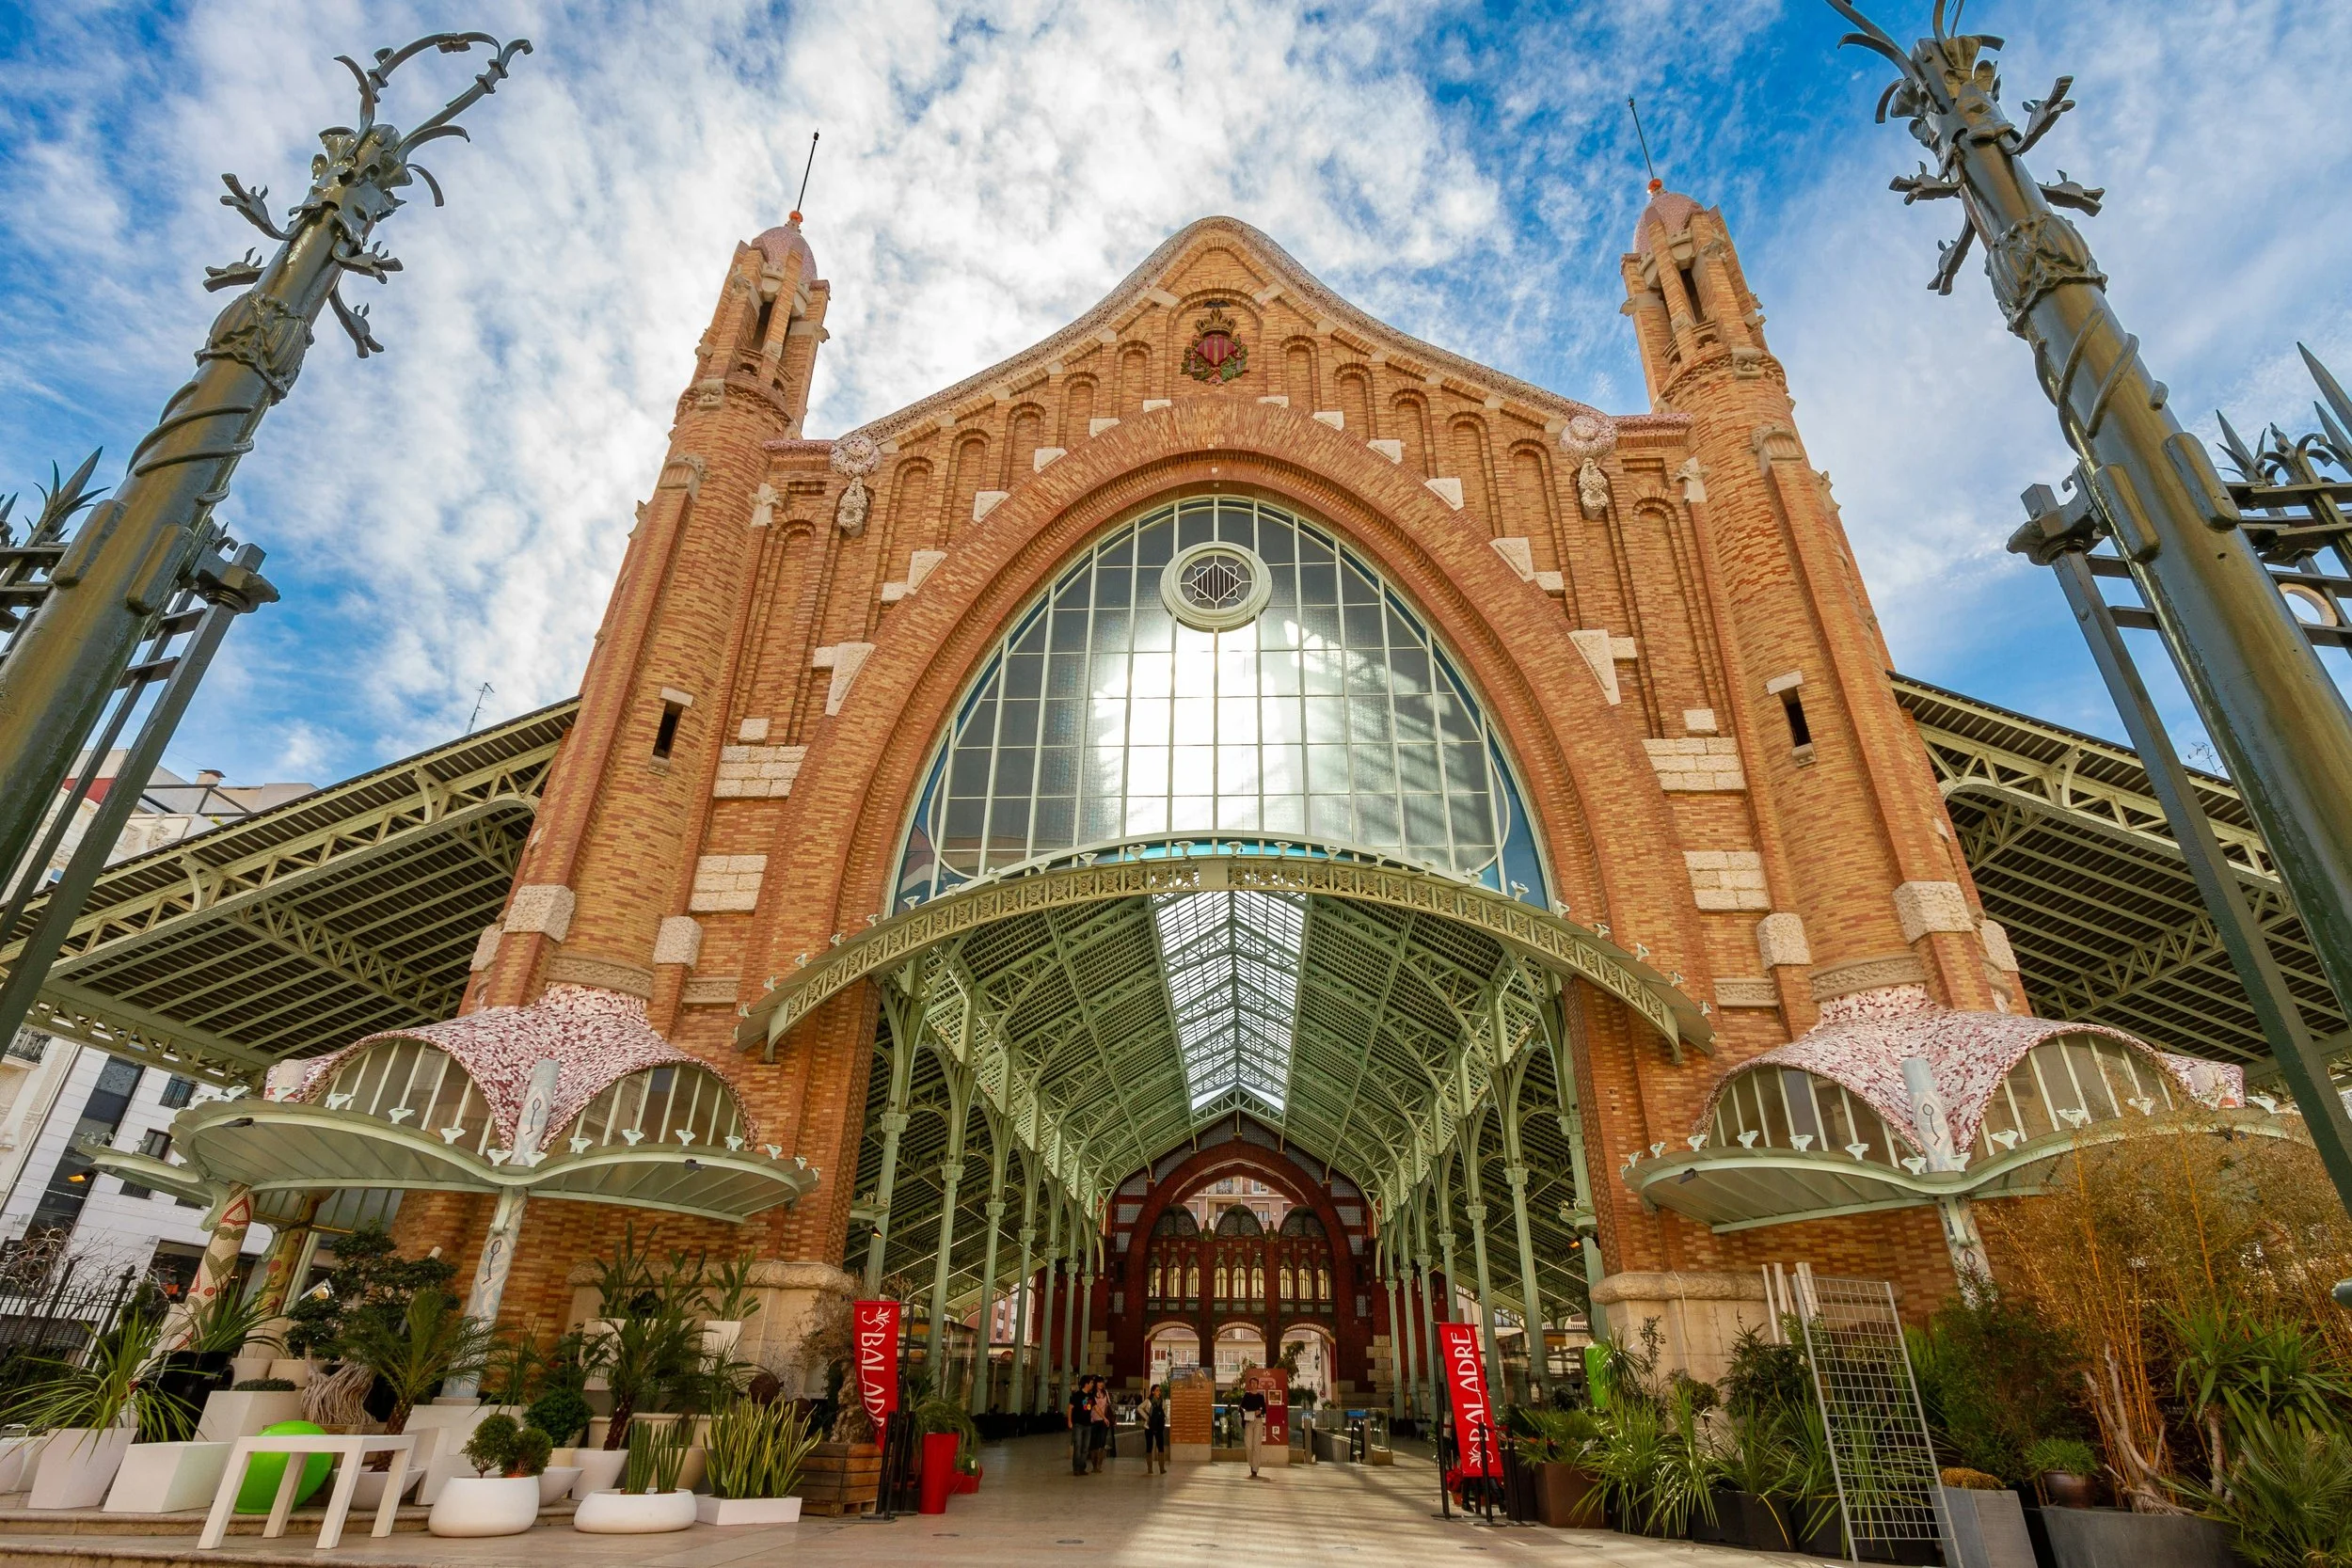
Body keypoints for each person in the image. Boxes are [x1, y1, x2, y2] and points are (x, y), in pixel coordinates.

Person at [1239, 1382, 1267, 1478]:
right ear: (1250, 1384)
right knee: (1248, 1445)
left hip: (1258, 1420)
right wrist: (1245, 1413)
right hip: (1248, 1420)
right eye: (1252, 1383)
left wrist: (1259, 1411)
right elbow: (1241, 1407)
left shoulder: (1260, 1396)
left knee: (1256, 1445)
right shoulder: (1247, 1395)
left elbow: (1264, 1409)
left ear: (1258, 1384)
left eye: (1255, 1383)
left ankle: (1255, 1469)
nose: (1254, 1384)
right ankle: (1251, 1464)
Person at [1142, 1383, 1168, 1473]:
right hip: (1149, 1427)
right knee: (1149, 1447)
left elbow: (1165, 1409)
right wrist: (1147, 1417)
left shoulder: (1162, 1401)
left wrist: (1164, 1417)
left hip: (1159, 1427)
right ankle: (1150, 1469)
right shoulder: (1148, 1401)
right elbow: (1139, 1408)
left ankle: (1162, 1468)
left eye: (1159, 1390)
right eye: (1157, 1390)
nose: (1159, 1392)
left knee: (1161, 1447)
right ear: (1153, 1392)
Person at [1069, 1377, 1092, 1475]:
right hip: (1078, 1424)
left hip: (1088, 1424)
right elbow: (1070, 1408)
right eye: (1091, 1383)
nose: (1092, 1384)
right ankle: (1076, 1468)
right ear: (1086, 1384)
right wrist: (1069, 1421)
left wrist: (1104, 1418)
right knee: (1078, 1446)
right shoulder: (1077, 1395)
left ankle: (1082, 1467)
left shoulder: (1091, 1396)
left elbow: (1095, 1408)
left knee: (1085, 1447)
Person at [1089, 1377, 1112, 1471]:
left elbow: (1108, 1405)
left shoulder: (1105, 1393)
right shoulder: (1091, 1394)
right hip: (1093, 1420)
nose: (1101, 1384)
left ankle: (1099, 1465)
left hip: (1104, 1420)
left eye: (1102, 1382)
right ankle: (1094, 1465)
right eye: (1099, 1382)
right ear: (1095, 1383)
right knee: (1093, 1443)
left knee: (1102, 1442)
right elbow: (1088, 1406)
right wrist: (1089, 1417)